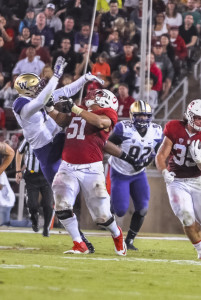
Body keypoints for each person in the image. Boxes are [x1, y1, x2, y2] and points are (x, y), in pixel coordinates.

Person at [12, 56, 103, 252]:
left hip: (60, 140)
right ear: (26, 89)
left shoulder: (37, 98)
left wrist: (85, 78)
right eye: (35, 86)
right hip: (47, 153)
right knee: (62, 201)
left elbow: (66, 91)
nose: (39, 87)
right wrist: (56, 76)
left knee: (86, 133)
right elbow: (42, 100)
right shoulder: (22, 106)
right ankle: (80, 239)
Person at [48, 88, 127, 256]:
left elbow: (99, 122)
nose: (91, 97)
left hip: (92, 168)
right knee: (62, 205)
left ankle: (117, 234)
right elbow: (63, 121)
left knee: (102, 217)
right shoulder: (82, 110)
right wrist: (50, 109)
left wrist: (76, 108)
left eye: (97, 96)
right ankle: (79, 243)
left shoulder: (108, 113)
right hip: (68, 165)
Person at [108, 100, 162, 250]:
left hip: (138, 174)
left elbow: (158, 150)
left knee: (143, 208)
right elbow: (106, 144)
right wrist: (129, 159)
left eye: (146, 116)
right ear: (132, 116)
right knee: (120, 210)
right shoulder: (123, 128)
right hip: (120, 172)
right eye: (140, 116)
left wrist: (148, 162)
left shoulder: (156, 131)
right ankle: (107, 206)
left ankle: (129, 241)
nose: (143, 119)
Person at [155, 99, 201, 260]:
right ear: (189, 116)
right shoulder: (174, 127)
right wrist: (163, 172)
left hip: (198, 180)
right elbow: (161, 155)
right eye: (198, 118)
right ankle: (200, 250)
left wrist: (199, 161)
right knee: (187, 216)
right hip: (177, 181)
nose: (200, 121)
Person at [16, 138, 54, 237]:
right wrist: (18, 171)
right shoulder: (29, 138)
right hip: (31, 175)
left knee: (48, 205)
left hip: (46, 176)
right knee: (32, 205)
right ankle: (34, 218)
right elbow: (19, 152)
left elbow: (58, 154)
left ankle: (46, 227)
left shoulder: (50, 138)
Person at [0, 141, 31, 227]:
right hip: (3, 200)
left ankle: (29, 223)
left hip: (4, 200)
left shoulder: (1, 173)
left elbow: (0, 186)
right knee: (4, 223)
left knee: (4, 224)